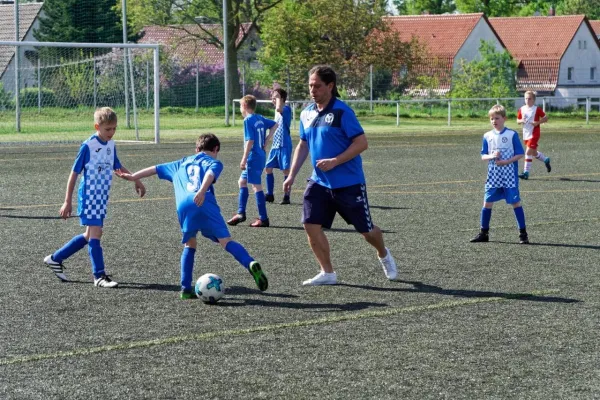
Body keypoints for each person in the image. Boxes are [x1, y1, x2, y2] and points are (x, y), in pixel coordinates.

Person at [283, 65, 397, 286]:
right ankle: (328, 273)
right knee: (310, 224)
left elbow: (361, 143)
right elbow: (303, 144)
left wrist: (335, 161)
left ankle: (383, 253)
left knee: (366, 231)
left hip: (348, 183)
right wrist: (291, 175)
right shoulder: (306, 113)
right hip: (319, 182)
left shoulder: (342, 112)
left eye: (317, 86)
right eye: (310, 86)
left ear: (330, 86)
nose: (312, 90)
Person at [119, 133, 268, 299]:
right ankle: (250, 263)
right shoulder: (214, 162)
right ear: (216, 149)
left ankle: (185, 289)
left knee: (190, 245)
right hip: (204, 201)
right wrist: (203, 191)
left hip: (184, 205)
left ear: (196, 149)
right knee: (226, 242)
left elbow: (154, 169)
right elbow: (210, 175)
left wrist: (133, 177)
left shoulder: (180, 163)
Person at [44, 107, 146, 288]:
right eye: (108, 129)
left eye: (114, 128)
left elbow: (117, 166)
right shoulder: (88, 146)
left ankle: (55, 258)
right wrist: (67, 201)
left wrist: (135, 179)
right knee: (95, 234)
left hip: (101, 197)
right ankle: (98, 276)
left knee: (90, 234)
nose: (111, 133)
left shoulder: (111, 145)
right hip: (89, 195)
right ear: (97, 126)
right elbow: (74, 174)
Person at [470, 104, 529, 244]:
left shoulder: (511, 134)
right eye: (491, 119)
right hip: (493, 176)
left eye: (497, 118)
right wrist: (491, 156)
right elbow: (483, 156)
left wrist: (507, 161)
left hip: (509, 176)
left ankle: (523, 234)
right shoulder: (487, 136)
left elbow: (520, 153)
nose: (494, 121)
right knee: (487, 202)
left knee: (515, 202)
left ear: (504, 118)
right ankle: (484, 233)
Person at [227, 94, 278, 228]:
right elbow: (275, 124)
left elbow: (250, 140)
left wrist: (244, 158)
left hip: (253, 156)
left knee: (256, 186)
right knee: (242, 182)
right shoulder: (259, 118)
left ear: (244, 106)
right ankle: (240, 213)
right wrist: (267, 139)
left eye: (240, 106)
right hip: (260, 155)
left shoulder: (248, 120)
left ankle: (263, 218)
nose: (240, 109)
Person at [265, 88, 293, 205]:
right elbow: (275, 126)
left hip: (284, 145)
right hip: (275, 145)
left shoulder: (285, 109)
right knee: (268, 168)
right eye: (272, 96)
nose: (273, 98)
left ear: (281, 98)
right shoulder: (277, 111)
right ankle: (270, 194)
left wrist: (278, 101)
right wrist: (267, 140)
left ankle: (287, 196)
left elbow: (278, 107)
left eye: (275, 96)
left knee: (286, 170)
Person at [516, 91, 550, 179]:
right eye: (526, 98)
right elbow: (518, 121)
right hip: (526, 133)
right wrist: (521, 121)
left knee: (528, 152)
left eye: (529, 98)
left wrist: (537, 122)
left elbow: (546, 118)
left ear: (534, 100)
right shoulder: (522, 109)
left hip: (534, 133)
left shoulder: (536, 109)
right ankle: (546, 159)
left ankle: (526, 173)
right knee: (534, 153)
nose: (527, 100)